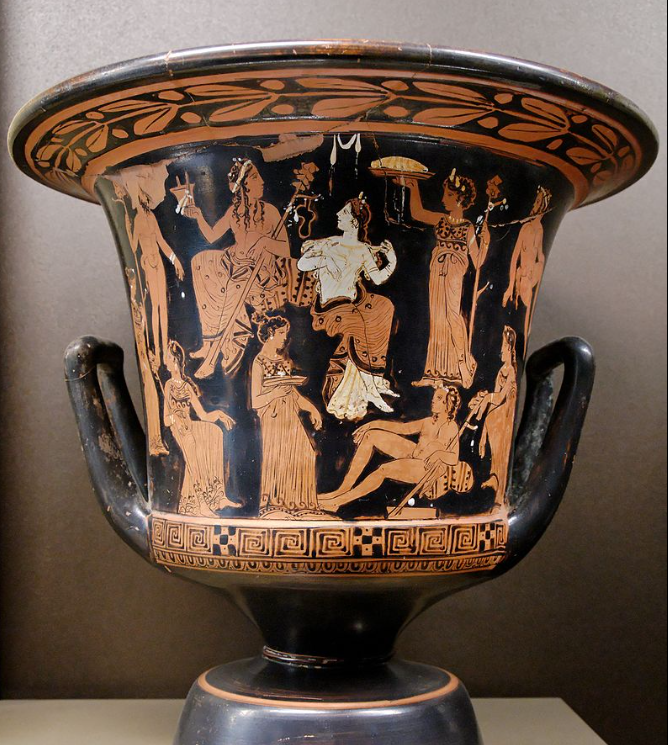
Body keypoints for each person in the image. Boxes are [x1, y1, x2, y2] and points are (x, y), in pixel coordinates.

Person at [182, 159, 298, 378]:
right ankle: (210, 341)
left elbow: (285, 250)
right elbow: (212, 236)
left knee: (230, 286)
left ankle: (216, 355)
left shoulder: (270, 211)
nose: (261, 181)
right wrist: (198, 216)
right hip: (234, 261)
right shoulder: (234, 212)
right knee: (200, 262)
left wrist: (264, 242)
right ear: (244, 186)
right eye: (255, 177)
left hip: (261, 271)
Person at [298, 196, 399, 421]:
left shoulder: (363, 250)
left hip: (351, 304)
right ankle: (370, 386)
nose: (337, 215)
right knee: (359, 324)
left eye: (343, 213)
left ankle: (371, 381)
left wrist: (391, 261)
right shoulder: (330, 243)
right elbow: (302, 263)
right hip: (330, 308)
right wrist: (325, 260)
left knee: (384, 306)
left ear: (354, 222)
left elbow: (378, 279)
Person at [399, 168, 490, 389]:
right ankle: (434, 373)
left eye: (448, 195)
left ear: (459, 198)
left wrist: (486, 241)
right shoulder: (441, 219)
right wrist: (413, 187)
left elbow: (477, 261)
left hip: (454, 273)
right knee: (437, 318)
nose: (443, 199)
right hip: (437, 271)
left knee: (452, 317)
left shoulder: (468, 227)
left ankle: (463, 366)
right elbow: (417, 213)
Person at [319, 385, 473, 512]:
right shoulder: (428, 421)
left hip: (425, 468)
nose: (433, 400)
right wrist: (371, 425)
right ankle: (342, 490)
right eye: (434, 396)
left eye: (438, 398)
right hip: (415, 453)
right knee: (371, 436)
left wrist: (438, 453)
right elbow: (403, 428)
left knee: (383, 470)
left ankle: (339, 501)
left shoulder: (451, 427)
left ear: (447, 404)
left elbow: (453, 458)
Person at [251, 313, 324, 517]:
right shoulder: (259, 363)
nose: (285, 337)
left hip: (290, 414)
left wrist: (311, 409)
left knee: (306, 454)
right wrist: (275, 393)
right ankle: (275, 504)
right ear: (270, 334)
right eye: (282, 333)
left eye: (286, 333)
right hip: (273, 417)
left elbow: (292, 392)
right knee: (279, 458)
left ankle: (301, 504)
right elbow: (255, 401)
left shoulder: (284, 361)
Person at [114, 162, 185, 367]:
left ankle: (164, 351)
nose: (147, 201)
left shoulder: (151, 217)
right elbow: (134, 246)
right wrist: (128, 226)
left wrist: (176, 261)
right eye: (145, 198)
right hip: (148, 264)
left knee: (163, 307)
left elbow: (162, 242)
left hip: (158, 264)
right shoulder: (137, 220)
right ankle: (159, 351)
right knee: (155, 308)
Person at [163, 340, 237, 516]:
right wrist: (176, 418)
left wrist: (219, 414)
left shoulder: (186, 386)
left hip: (189, 425)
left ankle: (218, 496)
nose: (166, 362)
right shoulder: (169, 385)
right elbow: (166, 420)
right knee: (192, 447)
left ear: (176, 360)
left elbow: (203, 415)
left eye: (168, 358)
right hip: (178, 428)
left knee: (215, 432)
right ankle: (201, 504)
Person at [469, 326, 518, 510]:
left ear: (510, 348)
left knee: (500, 454)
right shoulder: (502, 370)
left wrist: (487, 397)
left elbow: (499, 398)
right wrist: (483, 433)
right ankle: (494, 478)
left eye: (503, 347)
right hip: (494, 420)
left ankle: (498, 492)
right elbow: (493, 401)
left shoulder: (510, 371)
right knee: (494, 454)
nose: (501, 351)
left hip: (502, 421)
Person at [125, 268, 168, 456]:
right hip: (147, 366)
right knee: (152, 399)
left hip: (149, 361)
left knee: (154, 399)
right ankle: (156, 441)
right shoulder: (139, 308)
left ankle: (157, 440)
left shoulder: (142, 308)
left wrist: (155, 354)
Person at [503, 186, 551, 347]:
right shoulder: (526, 228)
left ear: (543, 206)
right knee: (512, 318)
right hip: (520, 278)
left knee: (523, 322)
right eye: (535, 201)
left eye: (537, 202)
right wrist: (510, 286)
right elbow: (515, 257)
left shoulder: (540, 229)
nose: (534, 205)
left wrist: (537, 270)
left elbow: (540, 255)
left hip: (530, 279)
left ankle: (518, 351)